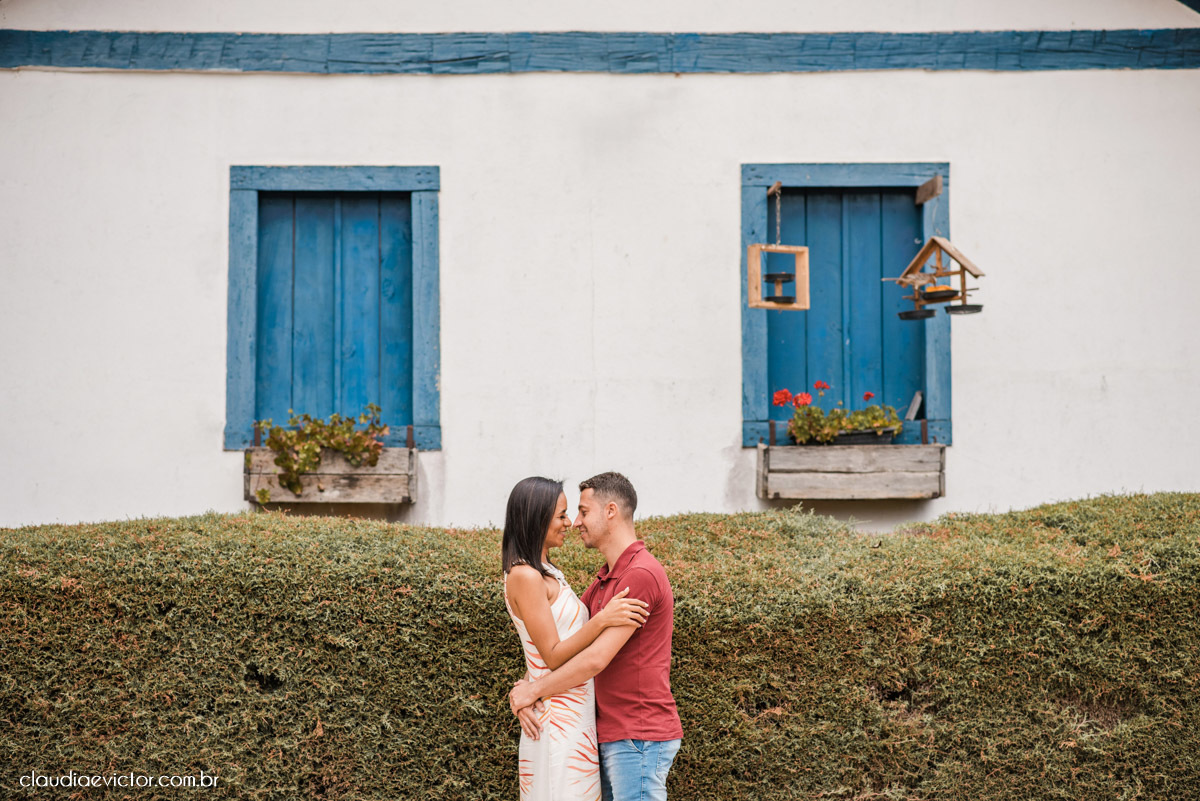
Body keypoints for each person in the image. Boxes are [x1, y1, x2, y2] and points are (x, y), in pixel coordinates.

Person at [510, 472, 683, 801]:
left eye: (583, 511)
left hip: (638, 734)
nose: (575, 522)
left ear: (611, 511)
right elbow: (565, 645)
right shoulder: (605, 581)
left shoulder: (640, 575)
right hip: (608, 731)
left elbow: (594, 658)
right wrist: (525, 686)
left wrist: (534, 690)